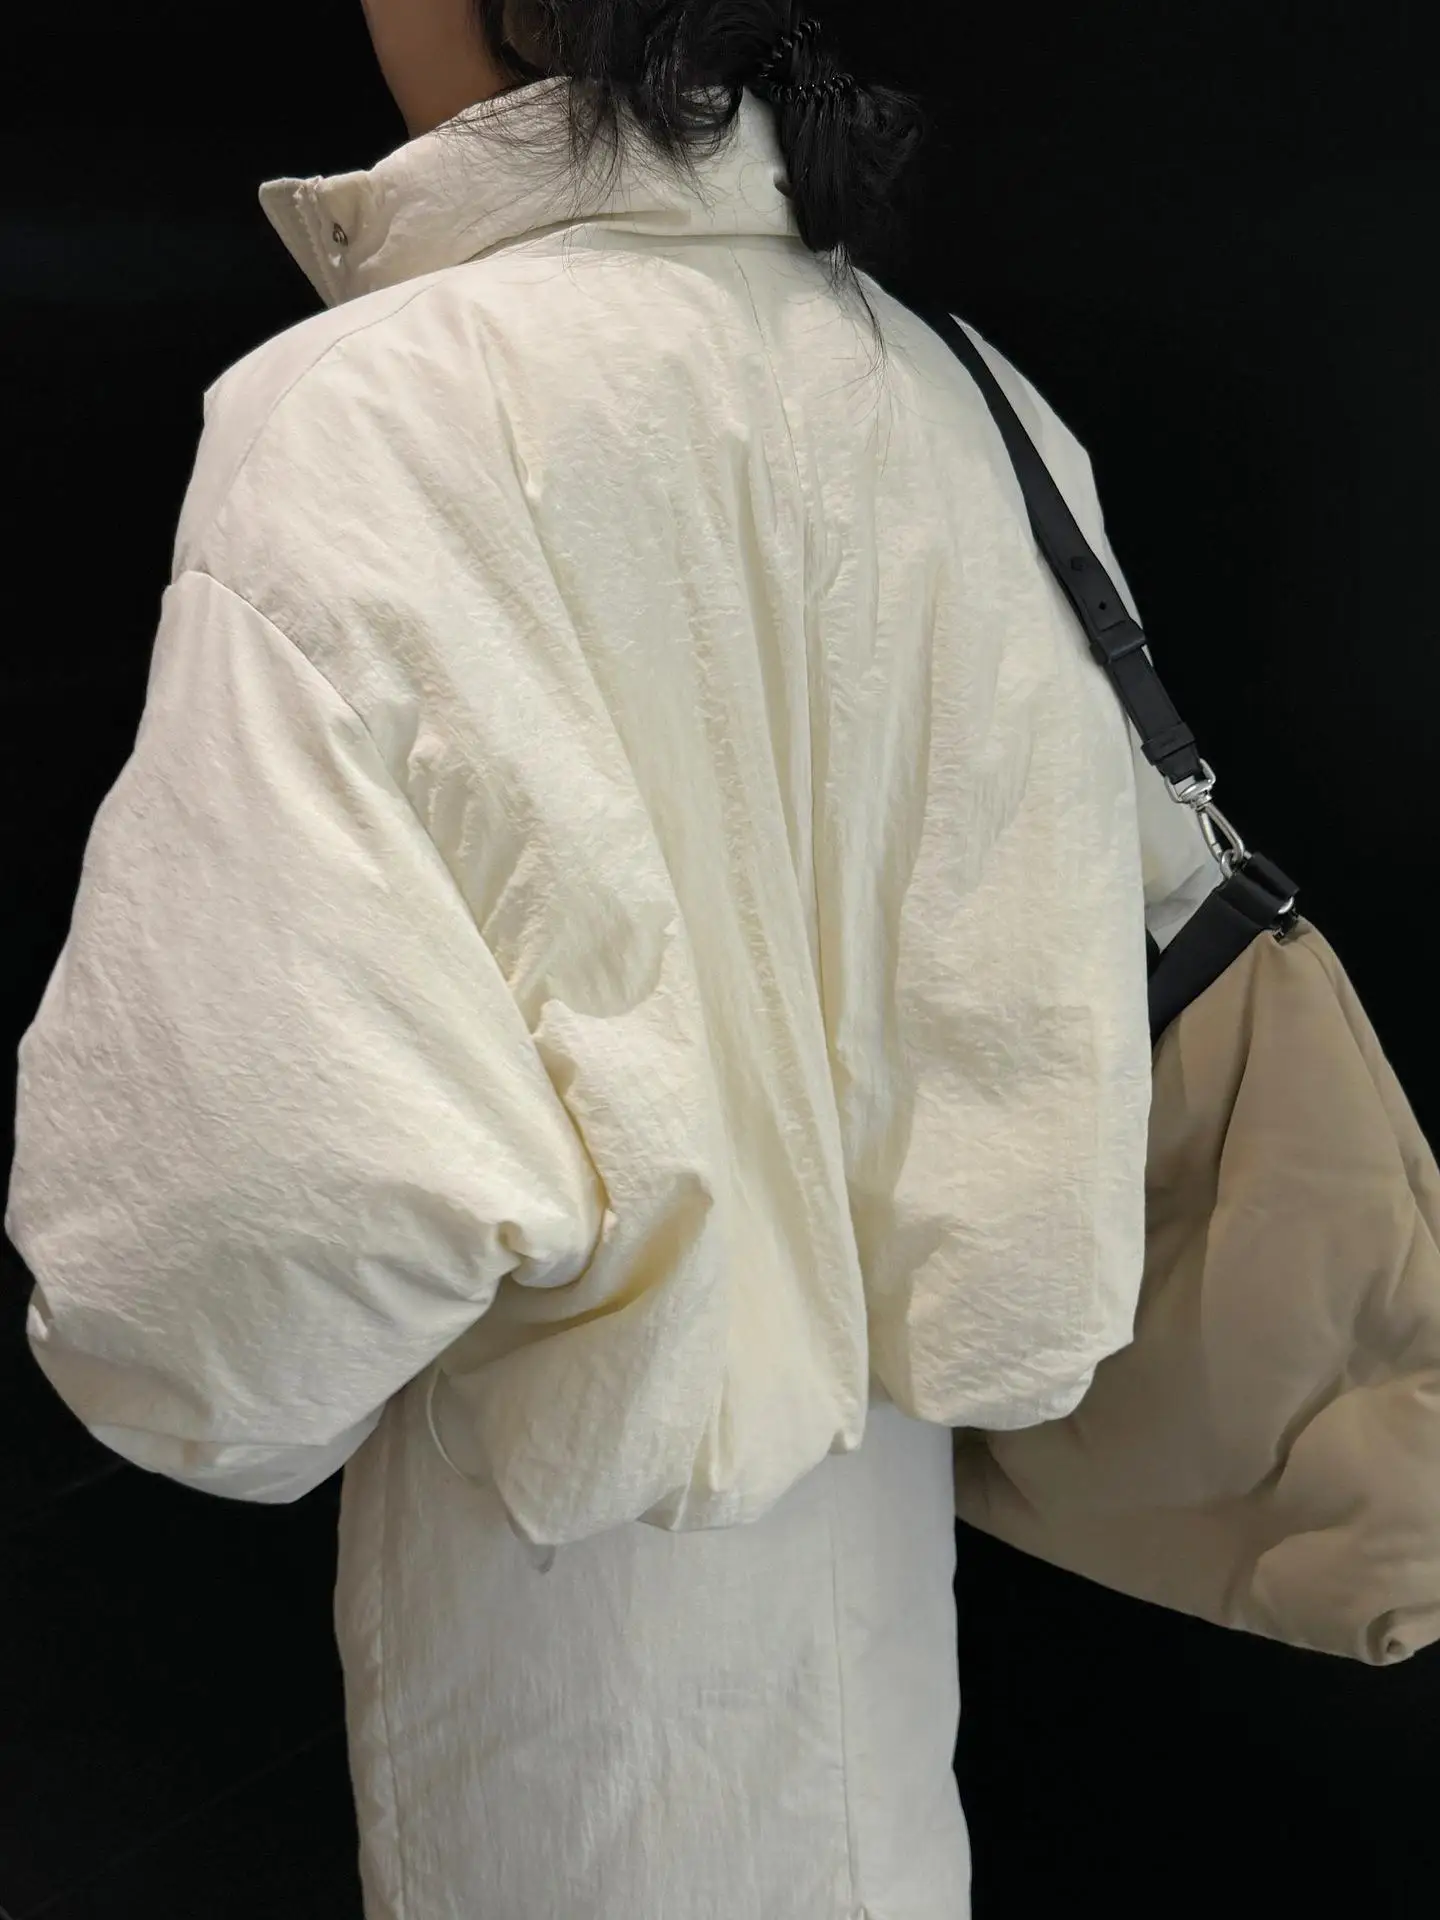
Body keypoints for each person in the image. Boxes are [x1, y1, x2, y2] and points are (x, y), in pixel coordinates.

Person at [5, 3, 1219, 1916]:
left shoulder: (372, 415)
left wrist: (160, 1367)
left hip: (554, 1633)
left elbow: (240, 1244)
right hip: (885, 1573)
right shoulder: (962, 391)